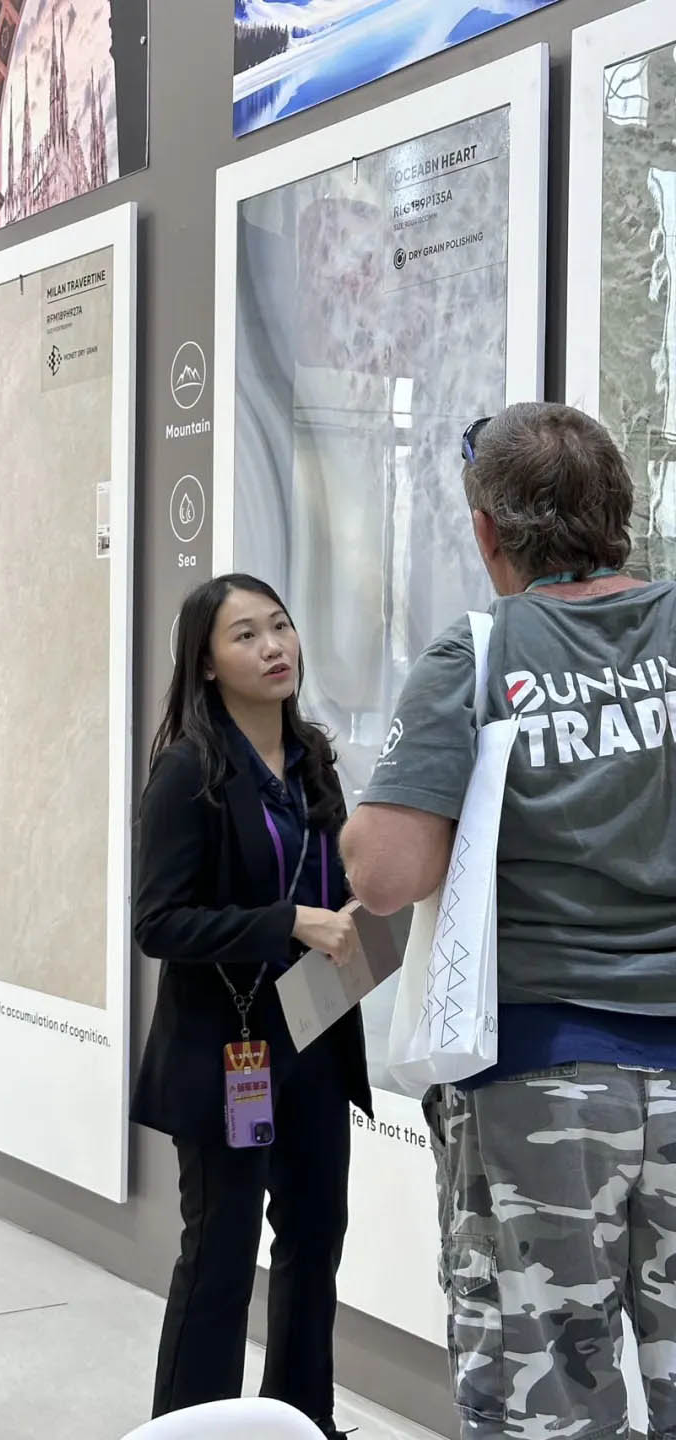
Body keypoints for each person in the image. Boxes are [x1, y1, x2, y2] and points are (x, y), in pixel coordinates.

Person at [342, 401, 676, 1440]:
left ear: (488, 533)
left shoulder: (479, 655)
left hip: (538, 1078)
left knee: (548, 1398)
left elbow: (386, 874)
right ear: (621, 511)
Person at [132, 574, 372, 1436]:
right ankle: (191, 1431)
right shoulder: (188, 770)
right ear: (205, 663)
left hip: (316, 1033)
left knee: (315, 1242)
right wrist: (287, 921)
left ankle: (305, 1423)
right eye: (245, 636)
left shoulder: (313, 757)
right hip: (228, 1047)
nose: (274, 647)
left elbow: (332, 883)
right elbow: (158, 923)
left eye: (280, 626)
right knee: (221, 1258)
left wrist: (360, 910)